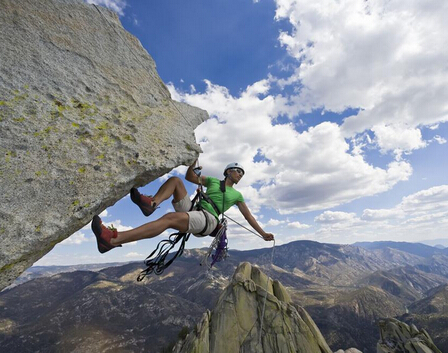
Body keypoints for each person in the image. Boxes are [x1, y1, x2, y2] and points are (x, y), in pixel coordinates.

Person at [91, 160, 274, 253]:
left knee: (169, 219)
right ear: (228, 172)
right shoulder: (211, 181)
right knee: (176, 181)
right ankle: (152, 204)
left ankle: (113, 240)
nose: (240, 174)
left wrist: (262, 233)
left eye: (242, 173)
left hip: (208, 220)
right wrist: (193, 162)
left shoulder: (237, 195)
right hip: (195, 210)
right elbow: (189, 178)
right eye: (238, 171)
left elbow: (248, 216)